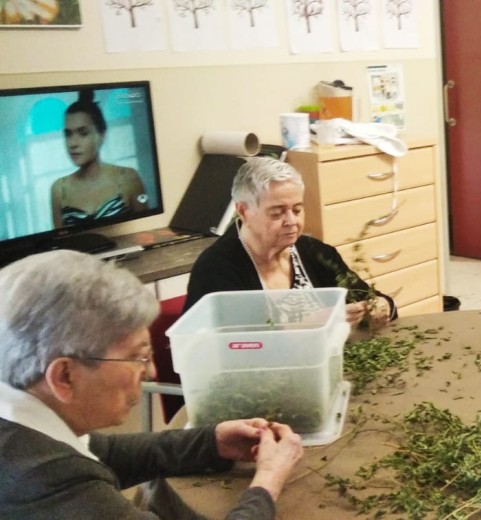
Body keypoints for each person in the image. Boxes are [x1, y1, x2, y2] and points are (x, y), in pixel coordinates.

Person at [0, 250, 304, 519]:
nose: (151, 371)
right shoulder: (43, 481)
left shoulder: (25, 421)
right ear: (64, 376)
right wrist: (267, 482)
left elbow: (106, 452)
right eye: (137, 357)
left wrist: (213, 442)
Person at [184, 157, 396, 328]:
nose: (292, 221)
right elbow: (230, 347)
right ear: (244, 211)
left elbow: (373, 300)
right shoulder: (216, 269)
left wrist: (381, 306)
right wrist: (313, 324)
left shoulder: (316, 253)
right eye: (277, 213)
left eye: (297, 209)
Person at [51, 90, 149, 228]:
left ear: (101, 136)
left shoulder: (128, 178)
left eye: (83, 133)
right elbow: (59, 239)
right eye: (68, 134)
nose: (73, 143)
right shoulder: (59, 189)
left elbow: (146, 230)